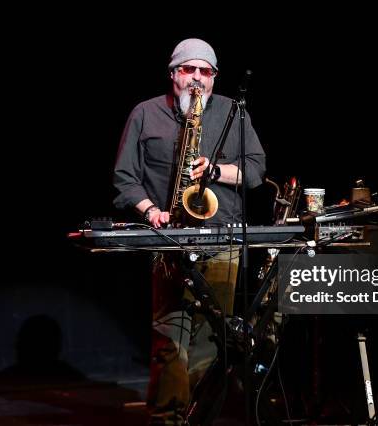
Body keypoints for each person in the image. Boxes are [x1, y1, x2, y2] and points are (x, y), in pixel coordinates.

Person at [113, 38, 266, 424]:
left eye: (205, 71)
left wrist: (215, 172)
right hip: (169, 241)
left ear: (214, 77)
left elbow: (256, 172)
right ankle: (168, 418)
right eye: (188, 69)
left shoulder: (234, 112)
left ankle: (200, 416)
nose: (197, 79)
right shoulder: (145, 113)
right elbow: (124, 178)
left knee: (211, 344)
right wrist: (152, 212)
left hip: (221, 239)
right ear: (173, 74)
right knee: (170, 341)